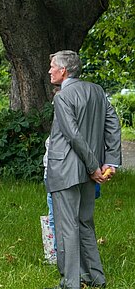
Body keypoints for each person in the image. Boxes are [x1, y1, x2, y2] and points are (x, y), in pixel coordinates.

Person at [45, 50, 121, 289]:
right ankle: (95, 277)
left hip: (66, 169)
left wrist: (93, 167)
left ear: (63, 71)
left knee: (67, 226)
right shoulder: (97, 90)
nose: (49, 71)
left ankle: (71, 282)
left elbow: (72, 134)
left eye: (52, 67)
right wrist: (109, 162)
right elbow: (113, 125)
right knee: (85, 223)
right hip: (91, 169)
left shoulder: (62, 96)